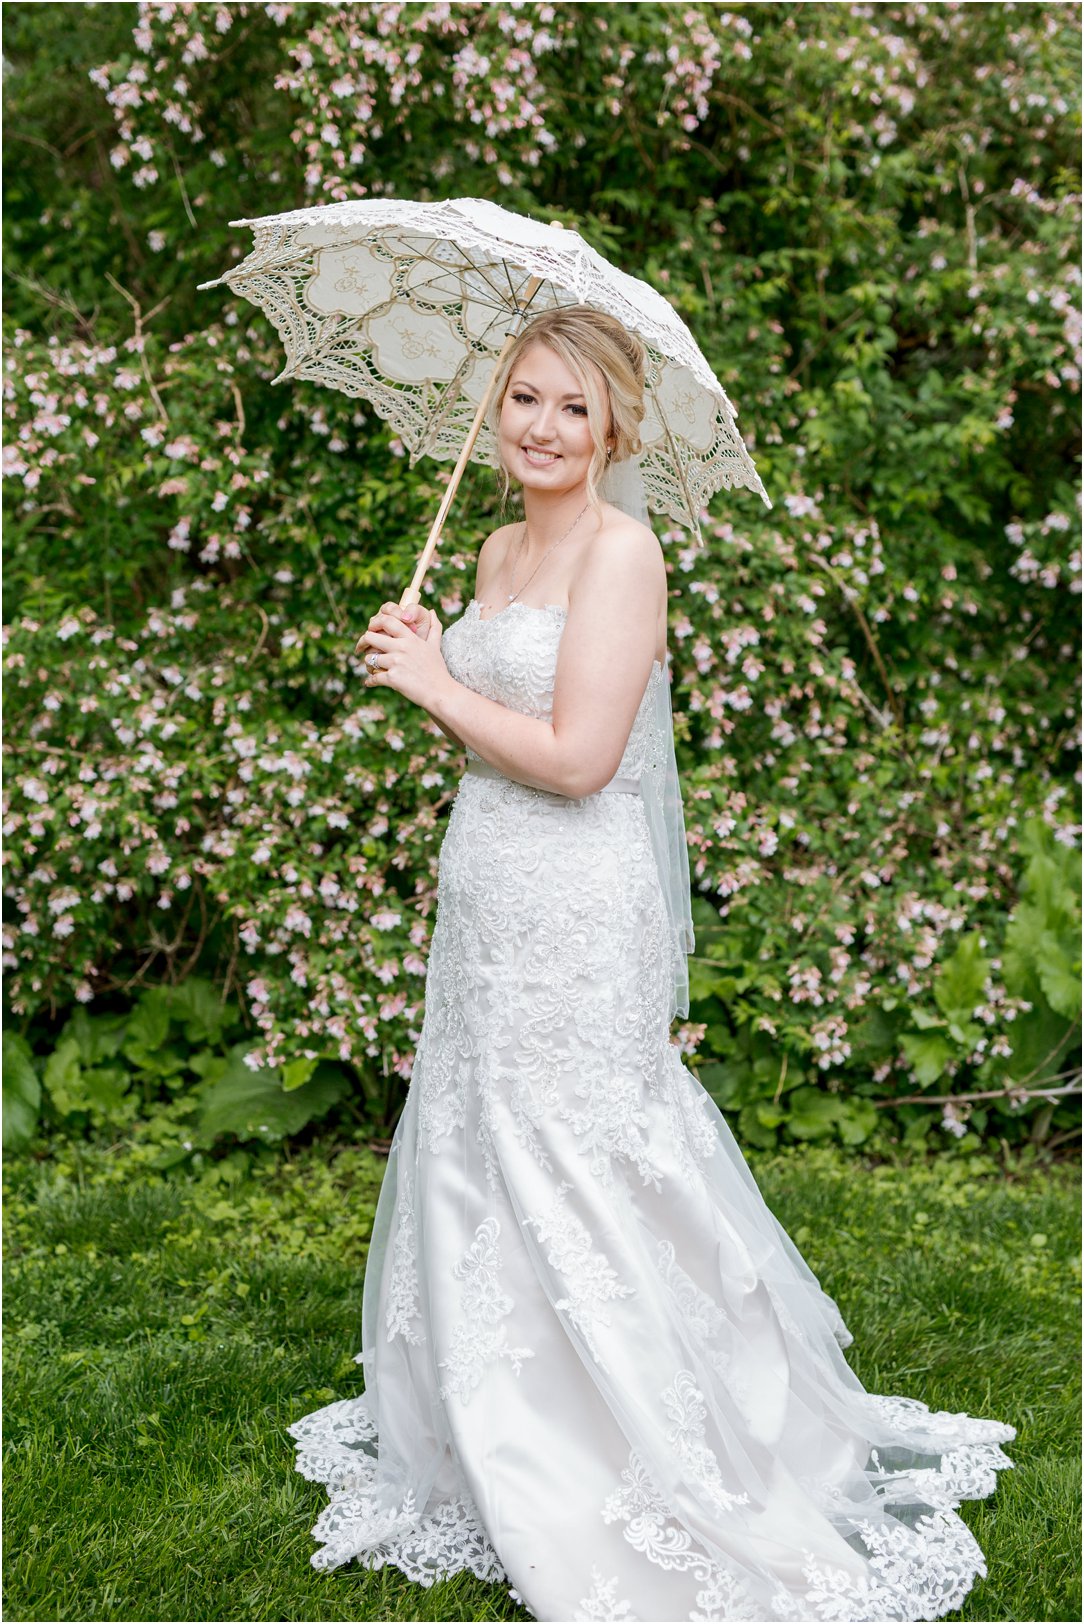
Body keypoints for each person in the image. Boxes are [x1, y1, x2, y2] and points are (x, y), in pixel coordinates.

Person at [287, 306, 1015, 1622]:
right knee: (476, 1137)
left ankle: (623, 1453)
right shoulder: (498, 545)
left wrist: (429, 682)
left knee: (577, 1147)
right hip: (490, 899)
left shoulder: (625, 557)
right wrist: (440, 654)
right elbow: (499, 743)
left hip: (578, 903)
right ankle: (487, 1418)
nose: (543, 427)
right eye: (522, 399)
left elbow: (573, 761)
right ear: (493, 413)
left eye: (573, 405)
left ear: (615, 424)